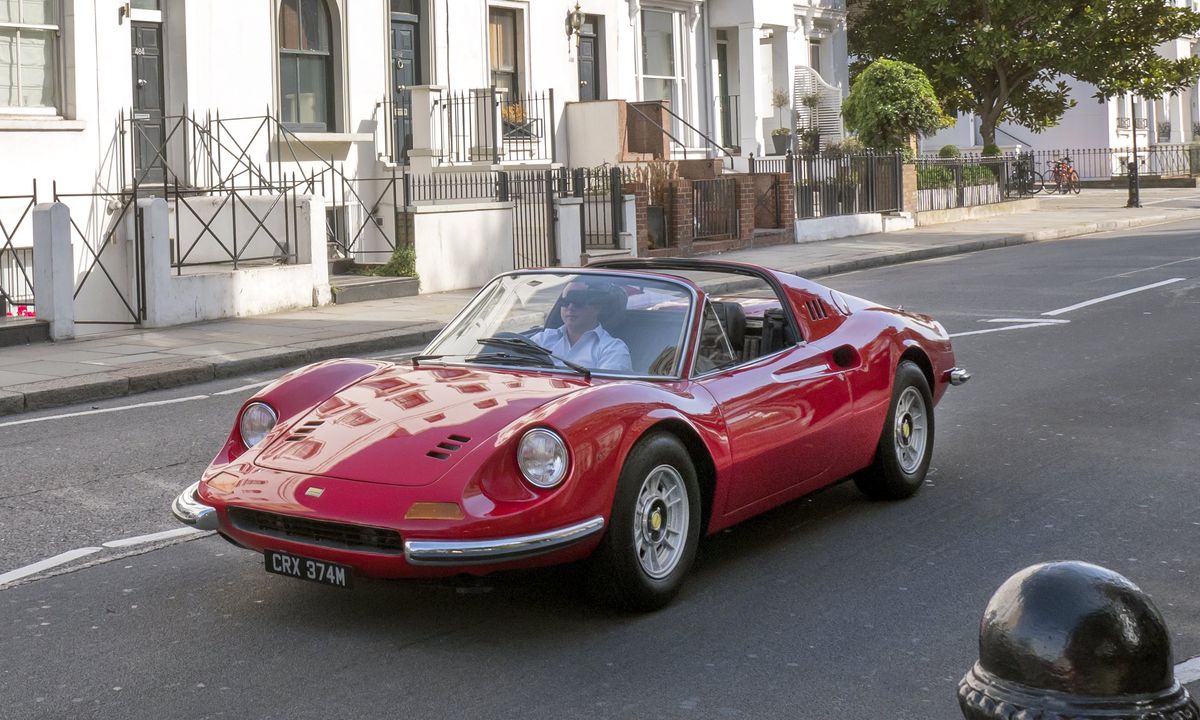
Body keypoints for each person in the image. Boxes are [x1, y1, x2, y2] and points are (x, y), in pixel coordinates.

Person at [529, 280, 632, 372]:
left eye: (578, 301)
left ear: (596, 307)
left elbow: (606, 389)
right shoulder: (542, 340)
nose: (570, 307)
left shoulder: (612, 349)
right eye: (565, 301)